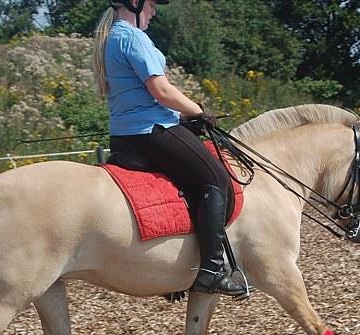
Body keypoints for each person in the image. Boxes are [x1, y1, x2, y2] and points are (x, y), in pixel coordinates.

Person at [93, 0, 247, 297]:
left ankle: (173, 270)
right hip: (150, 131)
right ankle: (212, 270)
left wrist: (183, 114)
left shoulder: (112, 38)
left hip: (126, 135)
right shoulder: (132, 36)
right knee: (215, 179)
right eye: (150, 4)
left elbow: (143, 96)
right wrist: (199, 112)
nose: (154, 11)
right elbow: (161, 91)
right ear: (134, 3)